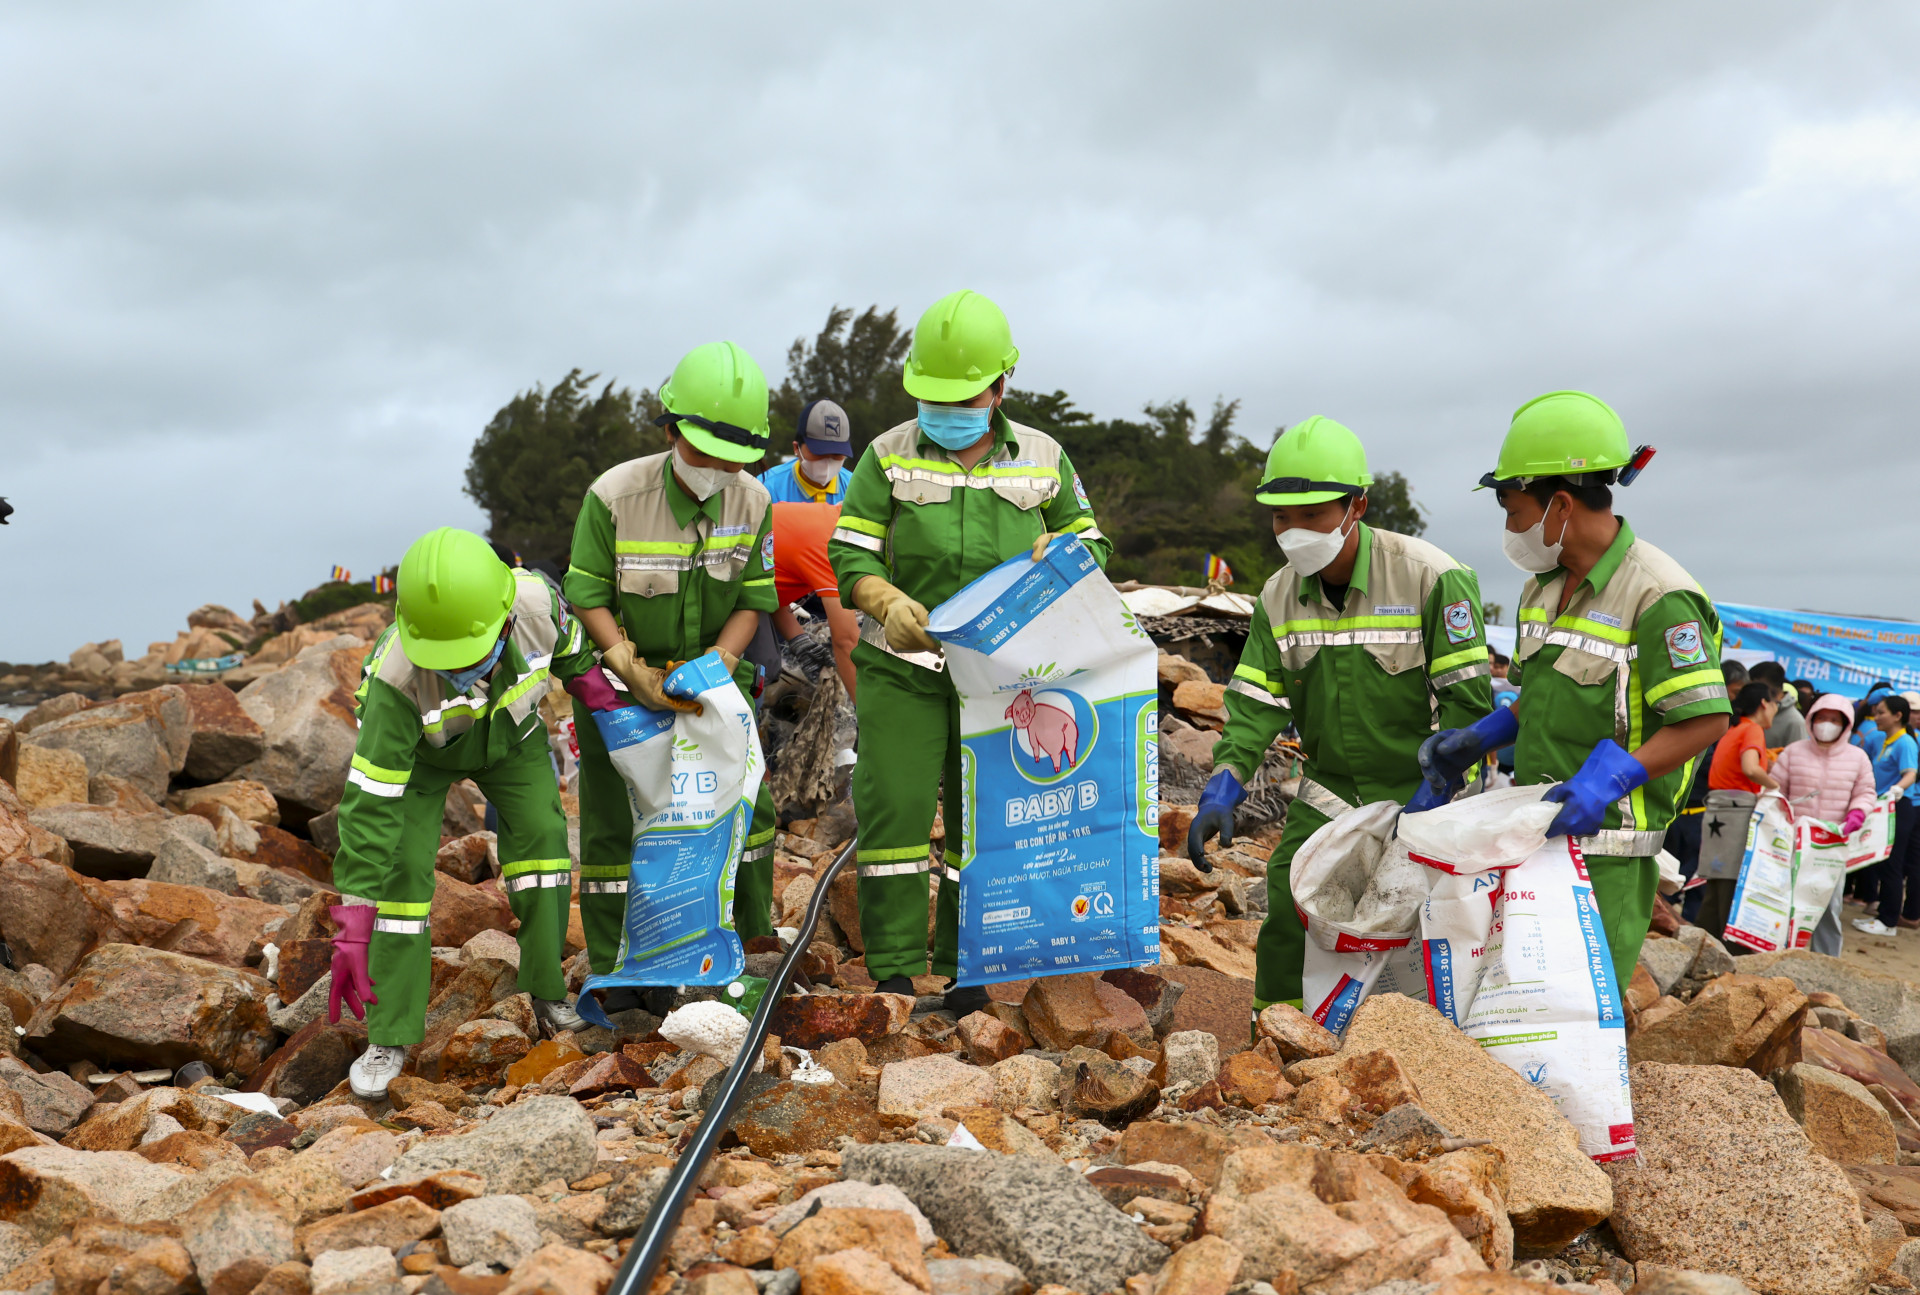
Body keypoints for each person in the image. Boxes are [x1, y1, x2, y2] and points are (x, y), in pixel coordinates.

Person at [827, 289, 1108, 1014]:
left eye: (964, 395)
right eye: (931, 395)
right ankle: (891, 974)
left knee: (984, 820)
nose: (946, 409)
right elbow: (850, 555)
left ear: (1001, 386)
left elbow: (1092, 537)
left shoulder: (1043, 457)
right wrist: (885, 600)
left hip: (1000, 678)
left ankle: (968, 972)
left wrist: (1067, 546)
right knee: (894, 808)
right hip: (903, 668)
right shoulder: (885, 456)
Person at [1418, 391, 1730, 989]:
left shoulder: (1659, 596)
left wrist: (1611, 780)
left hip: (1608, 847)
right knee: (1521, 1009)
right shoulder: (1542, 588)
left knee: (1578, 1016)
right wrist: (1478, 737)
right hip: (1537, 832)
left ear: (1559, 503)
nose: (1509, 527)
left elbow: (1704, 720)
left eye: (1512, 509)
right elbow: (1538, 699)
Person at [1189, 416, 1493, 1019]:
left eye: (1313, 514)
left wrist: (1439, 789)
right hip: (1332, 789)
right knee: (1287, 896)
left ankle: (1425, 1041)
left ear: (1357, 506)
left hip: (1425, 788)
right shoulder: (1277, 595)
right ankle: (1275, 1034)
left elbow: (1467, 704)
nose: (1294, 530)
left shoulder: (1432, 577)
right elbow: (1255, 705)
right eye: (1281, 516)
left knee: (1424, 923)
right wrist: (1223, 785)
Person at [329, 528, 597, 1098]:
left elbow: (578, 660)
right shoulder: (395, 683)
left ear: (503, 620)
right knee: (402, 879)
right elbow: (368, 809)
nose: (455, 669)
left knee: (546, 844)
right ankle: (391, 1033)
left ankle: (548, 992)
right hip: (424, 762)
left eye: (467, 654)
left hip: (512, 738)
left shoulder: (538, 605)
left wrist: (612, 704)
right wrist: (352, 925)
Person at [563, 341, 780, 1009]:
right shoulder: (615, 497)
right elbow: (586, 593)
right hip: (624, 695)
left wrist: (723, 664)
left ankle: (750, 942)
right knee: (613, 824)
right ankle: (624, 968)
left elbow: (753, 598)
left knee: (748, 810)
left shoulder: (754, 502)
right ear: (670, 432)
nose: (719, 470)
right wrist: (629, 664)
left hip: (714, 686)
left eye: (733, 459)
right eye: (705, 452)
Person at [1773, 694, 1875, 954]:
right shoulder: (1793, 752)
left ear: (1845, 724)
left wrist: (1856, 816)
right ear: (1811, 719)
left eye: (1833, 720)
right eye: (1821, 718)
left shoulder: (1858, 758)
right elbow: (1775, 790)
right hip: (1793, 841)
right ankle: (1780, 956)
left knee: (1828, 907)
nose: (1826, 724)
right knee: (1786, 901)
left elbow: (1865, 793)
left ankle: (1827, 961)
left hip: (1833, 844)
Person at [769, 502, 861, 699]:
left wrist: (797, 638)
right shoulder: (834, 545)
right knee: (762, 670)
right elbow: (846, 641)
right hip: (723, 599)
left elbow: (771, 583)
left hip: (742, 592)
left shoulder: (829, 518)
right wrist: (863, 713)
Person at [1856, 693, 1920, 938]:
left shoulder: (1905, 742)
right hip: (1883, 806)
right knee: (1883, 861)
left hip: (1898, 806)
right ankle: (1884, 914)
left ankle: (1889, 920)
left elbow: (1911, 774)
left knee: (1892, 863)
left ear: (1897, 716)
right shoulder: (1886, 740)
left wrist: (1897, 789)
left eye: (1881, 712)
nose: (1876, 717)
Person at [761, 399, 854, 505]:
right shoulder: (766, 488)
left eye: (836, 454)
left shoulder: (855, 489)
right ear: (796, 448)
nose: (827, 461)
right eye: (819, 452)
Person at [1749, 661, 1806, 749]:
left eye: (1755, 687)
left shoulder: (1795, 722)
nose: (1751, 692)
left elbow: (1798, 759)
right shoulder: (1750, 710)